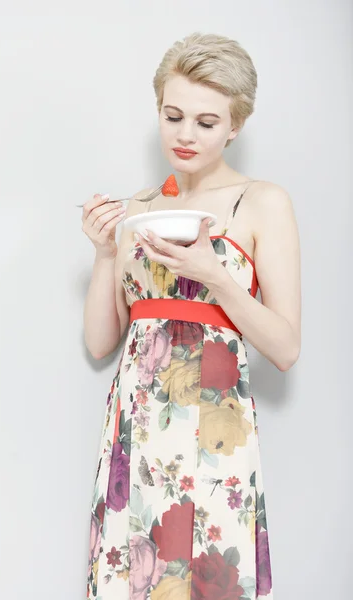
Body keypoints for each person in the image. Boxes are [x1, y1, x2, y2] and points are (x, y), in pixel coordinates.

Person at [82, 32, 301, 600]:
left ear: (236, 127)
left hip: (213, 428)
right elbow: (102, 341)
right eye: (173, 115)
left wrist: (216, 274)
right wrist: (106, 252)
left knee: (207, 580)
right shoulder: (139, 208)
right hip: (137, 427)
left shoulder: (262, 202)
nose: (185, 135)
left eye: (206, 122)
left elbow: (285, 347)